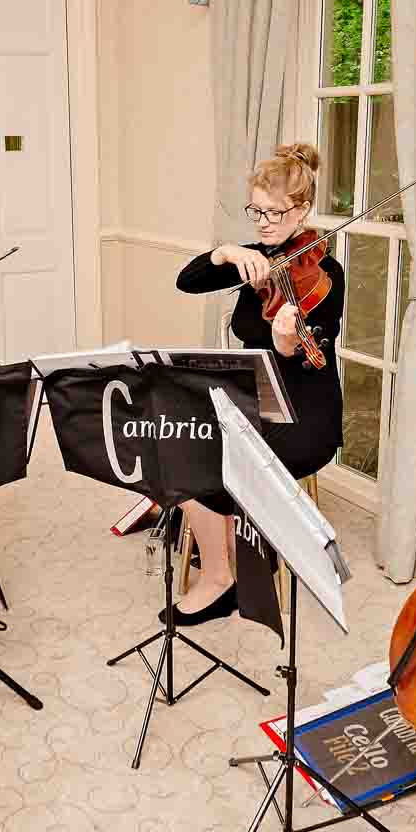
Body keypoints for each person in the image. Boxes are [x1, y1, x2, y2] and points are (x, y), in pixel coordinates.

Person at [170, 143, 345, 625]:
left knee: (215, 455)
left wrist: (285, 342)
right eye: (257, 211)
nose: (264, 222)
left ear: (303, 209)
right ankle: (225, 564)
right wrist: (226, 252)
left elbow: (309, 358)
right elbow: (187, 281)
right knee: (176, 441)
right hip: (250, 397)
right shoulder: (252, 258)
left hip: (303, 411)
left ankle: (229, 568)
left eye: (275, 212)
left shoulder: (325, 273)